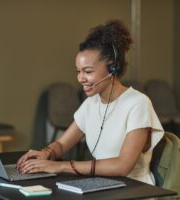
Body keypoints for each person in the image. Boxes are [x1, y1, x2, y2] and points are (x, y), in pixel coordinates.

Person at [17, 19, 164, 185]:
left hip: (134, 188)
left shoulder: (138, 103)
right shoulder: (91, 103)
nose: (80, 78)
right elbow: (61, 144)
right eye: (78, 71)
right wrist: (46, 153)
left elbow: (122, 166)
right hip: (103, 185)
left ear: (113, 68)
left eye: (87, 71)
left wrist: (60, 166)